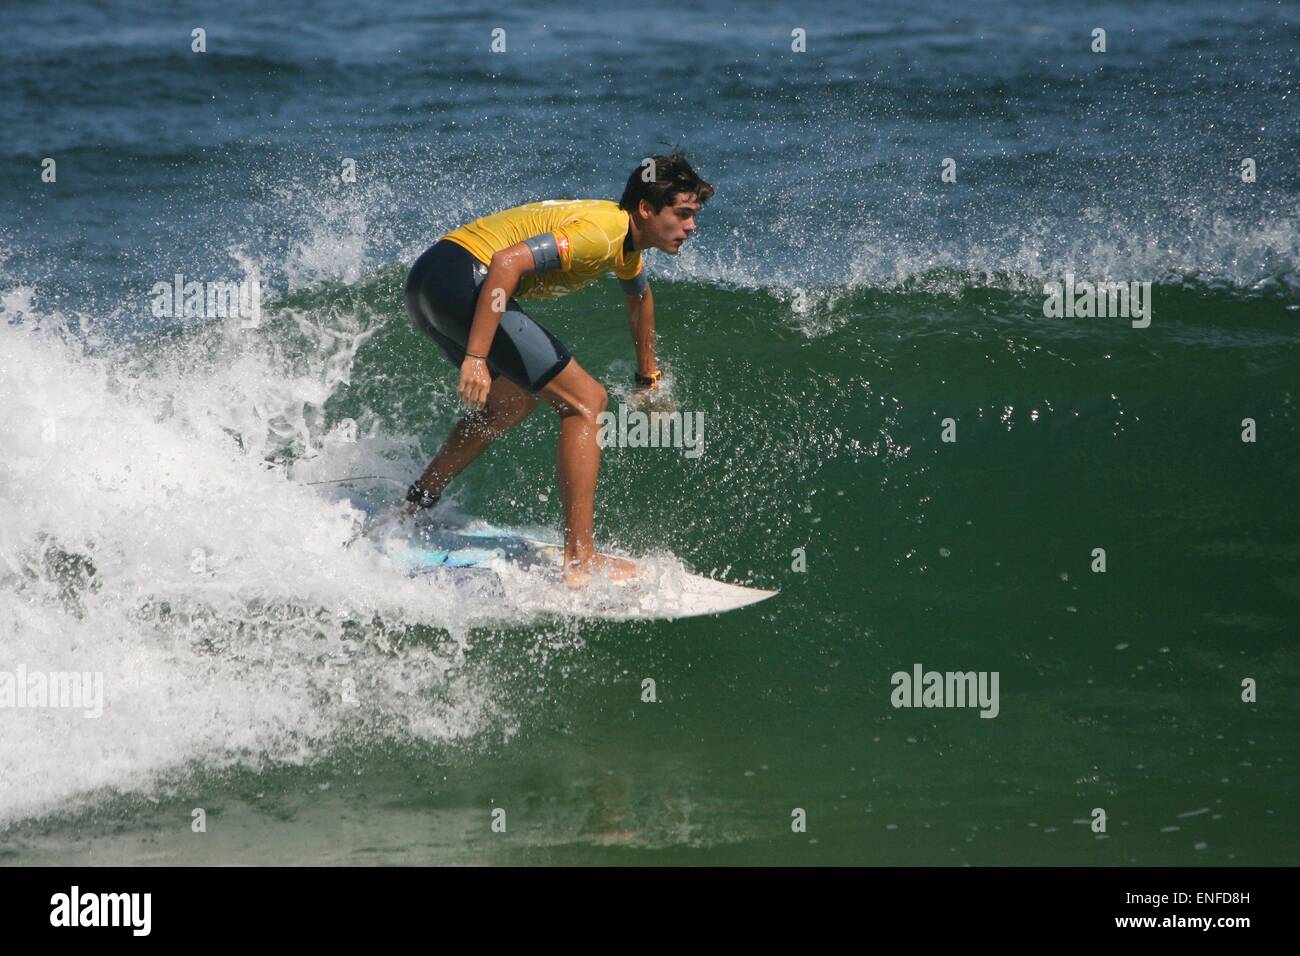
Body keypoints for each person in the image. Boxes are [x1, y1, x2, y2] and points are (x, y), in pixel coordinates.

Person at [401, 151, 714, 588]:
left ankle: (416, 503)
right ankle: (580, 560)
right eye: (681, 214)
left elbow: (639, 296)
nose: (690, 226)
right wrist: (476, 357)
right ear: (646, 209)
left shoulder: (623, 244)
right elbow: (508, 263)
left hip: (426, 281)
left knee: (509, 402)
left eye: (693, 215)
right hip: (465, 278)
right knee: (587, 402)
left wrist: (648, 378)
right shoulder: (603, 235)